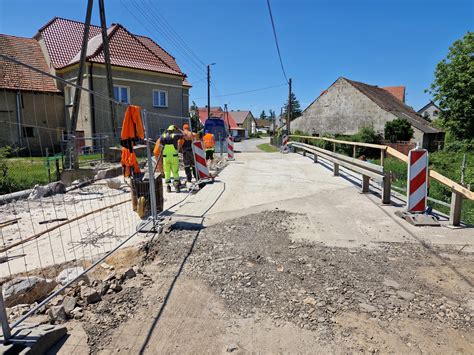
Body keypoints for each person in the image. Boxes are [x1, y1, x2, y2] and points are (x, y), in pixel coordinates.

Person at [158, 125, 183, 193]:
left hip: (166, 157)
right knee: (175, 172)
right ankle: (177, 187)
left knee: (167, 172)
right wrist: (178, 129)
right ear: (173, 130)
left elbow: (160, 147)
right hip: (174, 157)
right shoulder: (175, 135)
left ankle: (168, 187)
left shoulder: (162, 136)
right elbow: (184, 135)